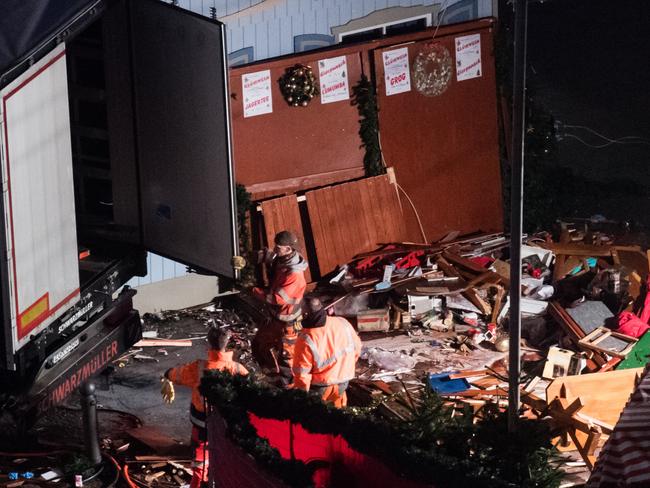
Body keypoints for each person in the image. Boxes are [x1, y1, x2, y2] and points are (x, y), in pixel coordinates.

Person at [160, 327, 248, 488]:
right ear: (227, 344)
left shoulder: (199, 367)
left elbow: (178, 374)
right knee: (226, 452)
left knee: (200, 458)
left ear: (208, 344)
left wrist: (167, 374)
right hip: (226, 425)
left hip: (201, 424)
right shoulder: (237, 369)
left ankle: (198, 483)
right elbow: (251, 392)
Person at [252, 230, 308, 371]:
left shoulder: (294, 275)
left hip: (287, 321)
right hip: (276, 317)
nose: (275, 249)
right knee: (260, 343)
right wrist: (260, 256)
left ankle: (290, 386)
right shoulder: (284, 259)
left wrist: (254, 291)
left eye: (278, 247)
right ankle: (271, 377)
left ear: (288, 249)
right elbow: (274, 259)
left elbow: (277, 299)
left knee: (287, 357)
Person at [290, 297, 361, 408]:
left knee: (318, 416)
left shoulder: (305, 338)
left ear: (305, 314)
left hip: (321, 386)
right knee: (337, 413)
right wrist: (345, 367)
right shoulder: (343, 322)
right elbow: (357, 348)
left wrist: (301, 397)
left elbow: (302, 374)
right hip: (344, 380)